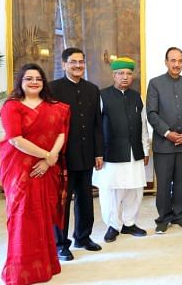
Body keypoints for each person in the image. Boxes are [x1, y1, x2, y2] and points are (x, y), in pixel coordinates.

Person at [0, 63, 70, 284]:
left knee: (42, 215)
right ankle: (20, 269)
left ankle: (46, 264)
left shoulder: (55, 107)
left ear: (43, 82)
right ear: (20, 81)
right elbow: (15, 139)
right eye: (28, 78)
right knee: (22, 216)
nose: (34, 82)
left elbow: (61, 132)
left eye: (38, 78)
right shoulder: (12, 107)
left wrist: (49, 160)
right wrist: (47, 155)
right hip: (21, 171)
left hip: (46, 168)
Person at [50, 47, 104, 261]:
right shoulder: (53, 89)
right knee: (62, 202)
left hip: (87, 154)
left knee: (85, 199)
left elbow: (97, 124)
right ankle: (61, 244)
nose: (78, 66)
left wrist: (99, 152)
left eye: (81, 62)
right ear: (64, 65)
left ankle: (83, 237)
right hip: (63, 156)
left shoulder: (92, 89)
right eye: (73, 62)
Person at [94, 57, 150, 243]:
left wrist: (146, 149)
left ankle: (129, 223)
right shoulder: (102, 96)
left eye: (128, 73)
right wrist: (98, 152)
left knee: (134, 190)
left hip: (134, 152)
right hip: (110, 154)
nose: (124, 77)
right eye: (120, 73)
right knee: (111, 191)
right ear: (113, 75)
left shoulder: (137, 97)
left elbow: (143, 125)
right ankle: (113, 225)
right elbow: (96, 127)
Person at [146, 47, 182, 234]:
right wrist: (168, 133)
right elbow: (151, 113)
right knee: (163, 184)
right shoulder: (155, 83)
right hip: (164, 143)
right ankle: (163, 218)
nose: (177, 64)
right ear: (166, 62)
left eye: (180, 61)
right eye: (173, 60)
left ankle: (179, 216)